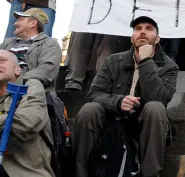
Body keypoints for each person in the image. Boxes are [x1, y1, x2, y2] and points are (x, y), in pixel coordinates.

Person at [72, 16, 178, 177]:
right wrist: (118, 101)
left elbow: (160, 99)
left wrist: (147, 61)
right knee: (89, 109)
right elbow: (94, 94)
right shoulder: (113, 61)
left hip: (147, 124)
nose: (142, 32)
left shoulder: (169, 66)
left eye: (149, 29)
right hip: (113, 121)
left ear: (157, 39)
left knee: (155, 108)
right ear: (131, 37)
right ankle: (81, 173)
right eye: (138, 29)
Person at [0, 8, 61, 93]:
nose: (15, 23)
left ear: (33, 23)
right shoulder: (7, 44)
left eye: (20, 20)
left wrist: (12, 84)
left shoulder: (49, 43)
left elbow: (46, 71)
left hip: (29, 92)